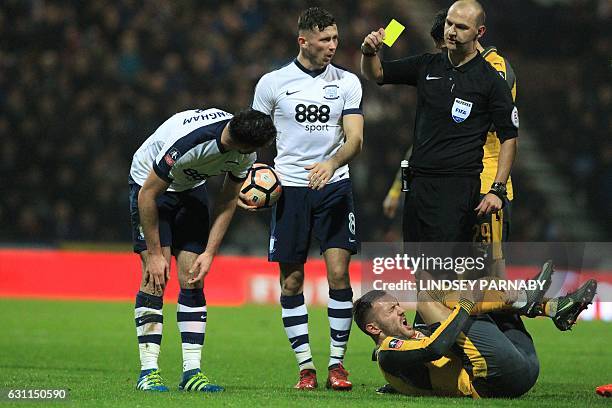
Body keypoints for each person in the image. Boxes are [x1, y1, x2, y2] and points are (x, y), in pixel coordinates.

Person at [249, 7, 364, 390]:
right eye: (325, 40)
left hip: (333, 187)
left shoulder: (347, 82)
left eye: (335, 38)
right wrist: (248, 180)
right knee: (292, 280)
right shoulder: (272, 83)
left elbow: (356, 139)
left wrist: (332, 163)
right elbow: (253, 138)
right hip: (290, 190)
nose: (333, 46)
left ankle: (336, 365)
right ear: (304, 41)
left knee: (337, 274)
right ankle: (306, 368)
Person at [128, 107, 276, 392]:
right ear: (242, 142)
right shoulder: (187, 144)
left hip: (190, 186)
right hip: (149, 185)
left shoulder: (245, 152)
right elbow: (147, 194)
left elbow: (227, 200)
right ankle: (148, 372)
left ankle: (192, 373)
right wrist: (156, 254)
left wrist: (209, 252)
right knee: (155, 278)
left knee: (193, 278)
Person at [362, 0, 519, 247]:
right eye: (449, 25)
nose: (450, 34)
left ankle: (524, 288)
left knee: (481, 269)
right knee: (427, 270)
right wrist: (396, 190)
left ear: (478, 32)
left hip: (476, 182)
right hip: (422, 186)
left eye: (460, 27)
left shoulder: (493, 72)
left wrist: (497, 188)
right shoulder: (430, 66)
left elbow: (507, 134)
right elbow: (379, 74)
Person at [353, 276, 598, 398]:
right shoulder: (389, 351)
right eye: (391, 310)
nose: (400, 310)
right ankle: (538, 305)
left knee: (476, 298)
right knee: (431, 296)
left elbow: (413, 374)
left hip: (524, 365)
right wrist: (465, 305)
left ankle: (546, 307)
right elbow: (435, 349)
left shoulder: (403, 351)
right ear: (374, 328)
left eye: (397, 305)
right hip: (492, 377)